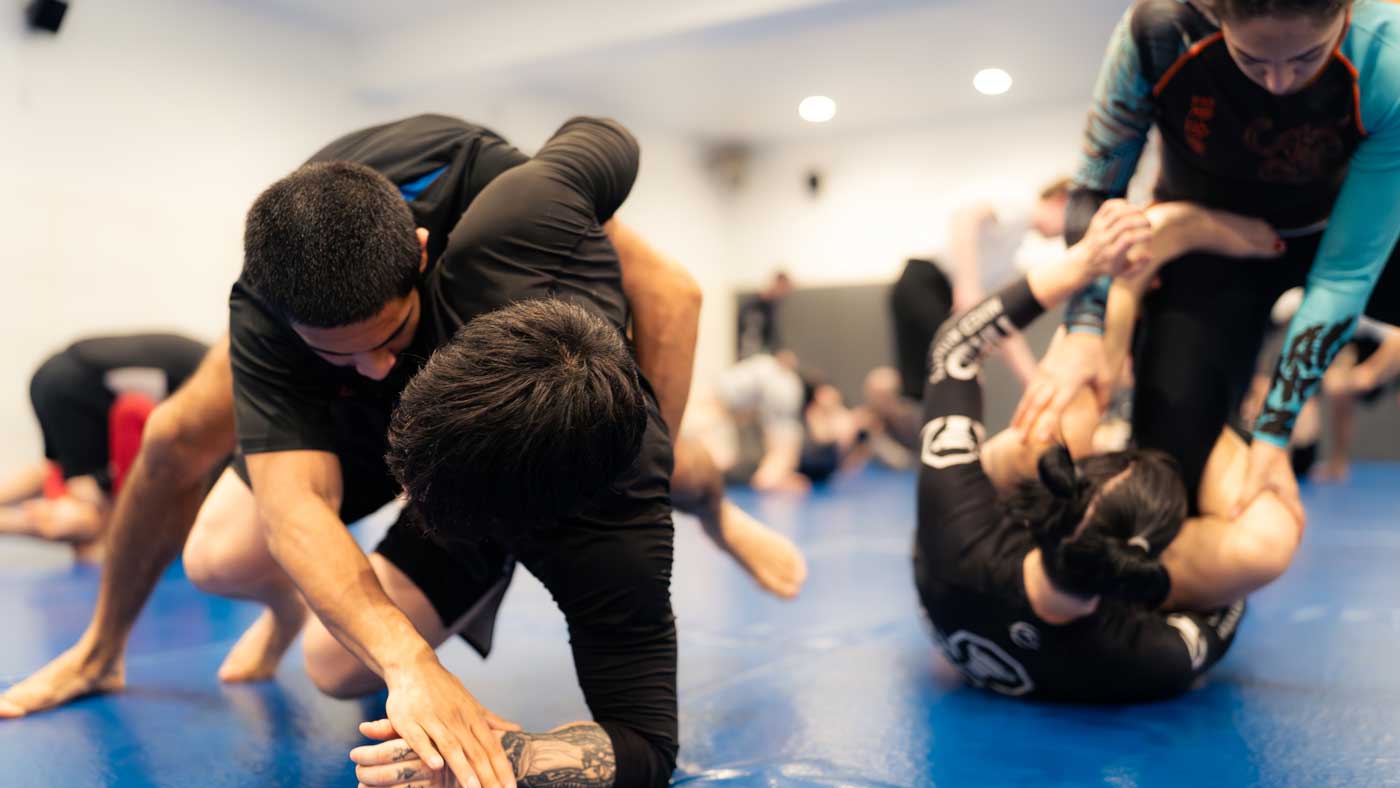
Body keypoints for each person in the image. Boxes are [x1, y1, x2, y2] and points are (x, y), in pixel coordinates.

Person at [0, 115, 709, 788]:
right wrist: (408, 664)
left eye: (391, 342)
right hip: (399, 303)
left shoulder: (622, 535)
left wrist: (507, 758)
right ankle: (102, 649)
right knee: (210, 533)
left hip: (574, 470)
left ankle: (699, 518)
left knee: (336, 665)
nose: (373, 368)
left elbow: (649, 744)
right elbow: (296, 504)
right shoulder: (512, 225)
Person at [1015, 0, 1400, 525]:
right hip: (1208, 243)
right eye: (1254, 61)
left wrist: (1275, 431)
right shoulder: (1158, 32)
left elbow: (1344, 272)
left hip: (1337, 229)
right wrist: (1085, 325)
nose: (1280, 82)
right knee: (1168, 472)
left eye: (1307, 58)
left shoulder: (1388, 54)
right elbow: (1095, 190)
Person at [917, 199, 1301, 701]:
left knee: (1055, 438)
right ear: (1144, 571)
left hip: (970, 554)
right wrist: (1255, 445)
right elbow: (1222, 611)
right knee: (1265, 547)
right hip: (1086, 587)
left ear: (1043, 506)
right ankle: (1200, 419)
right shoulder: (1145, 658)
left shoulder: (958, 525)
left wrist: (1080, 271)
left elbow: (953, 350)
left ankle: (1117, 288)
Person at [0, 333, 208, 562]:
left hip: (50, 377)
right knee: (92, 523)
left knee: (60, 473)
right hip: (76, 389)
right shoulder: (214, 387)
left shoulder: (204, 368)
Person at [889, 177, 1072, 402]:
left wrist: (1033, 381)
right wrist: (967, 287)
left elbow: (1002, 321)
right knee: (954, 370)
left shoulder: (1010, 248)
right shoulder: (1022, 204)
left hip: (935, 289)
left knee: (931, 384)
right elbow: (965, 217)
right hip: (926, 282)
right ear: (1062, 200)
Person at [735, 270, 793, 360]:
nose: (784, 294)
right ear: (777, 284)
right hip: (753, 360)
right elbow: (750, 341)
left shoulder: (772, 308)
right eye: (783, 288)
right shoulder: (753, 309)